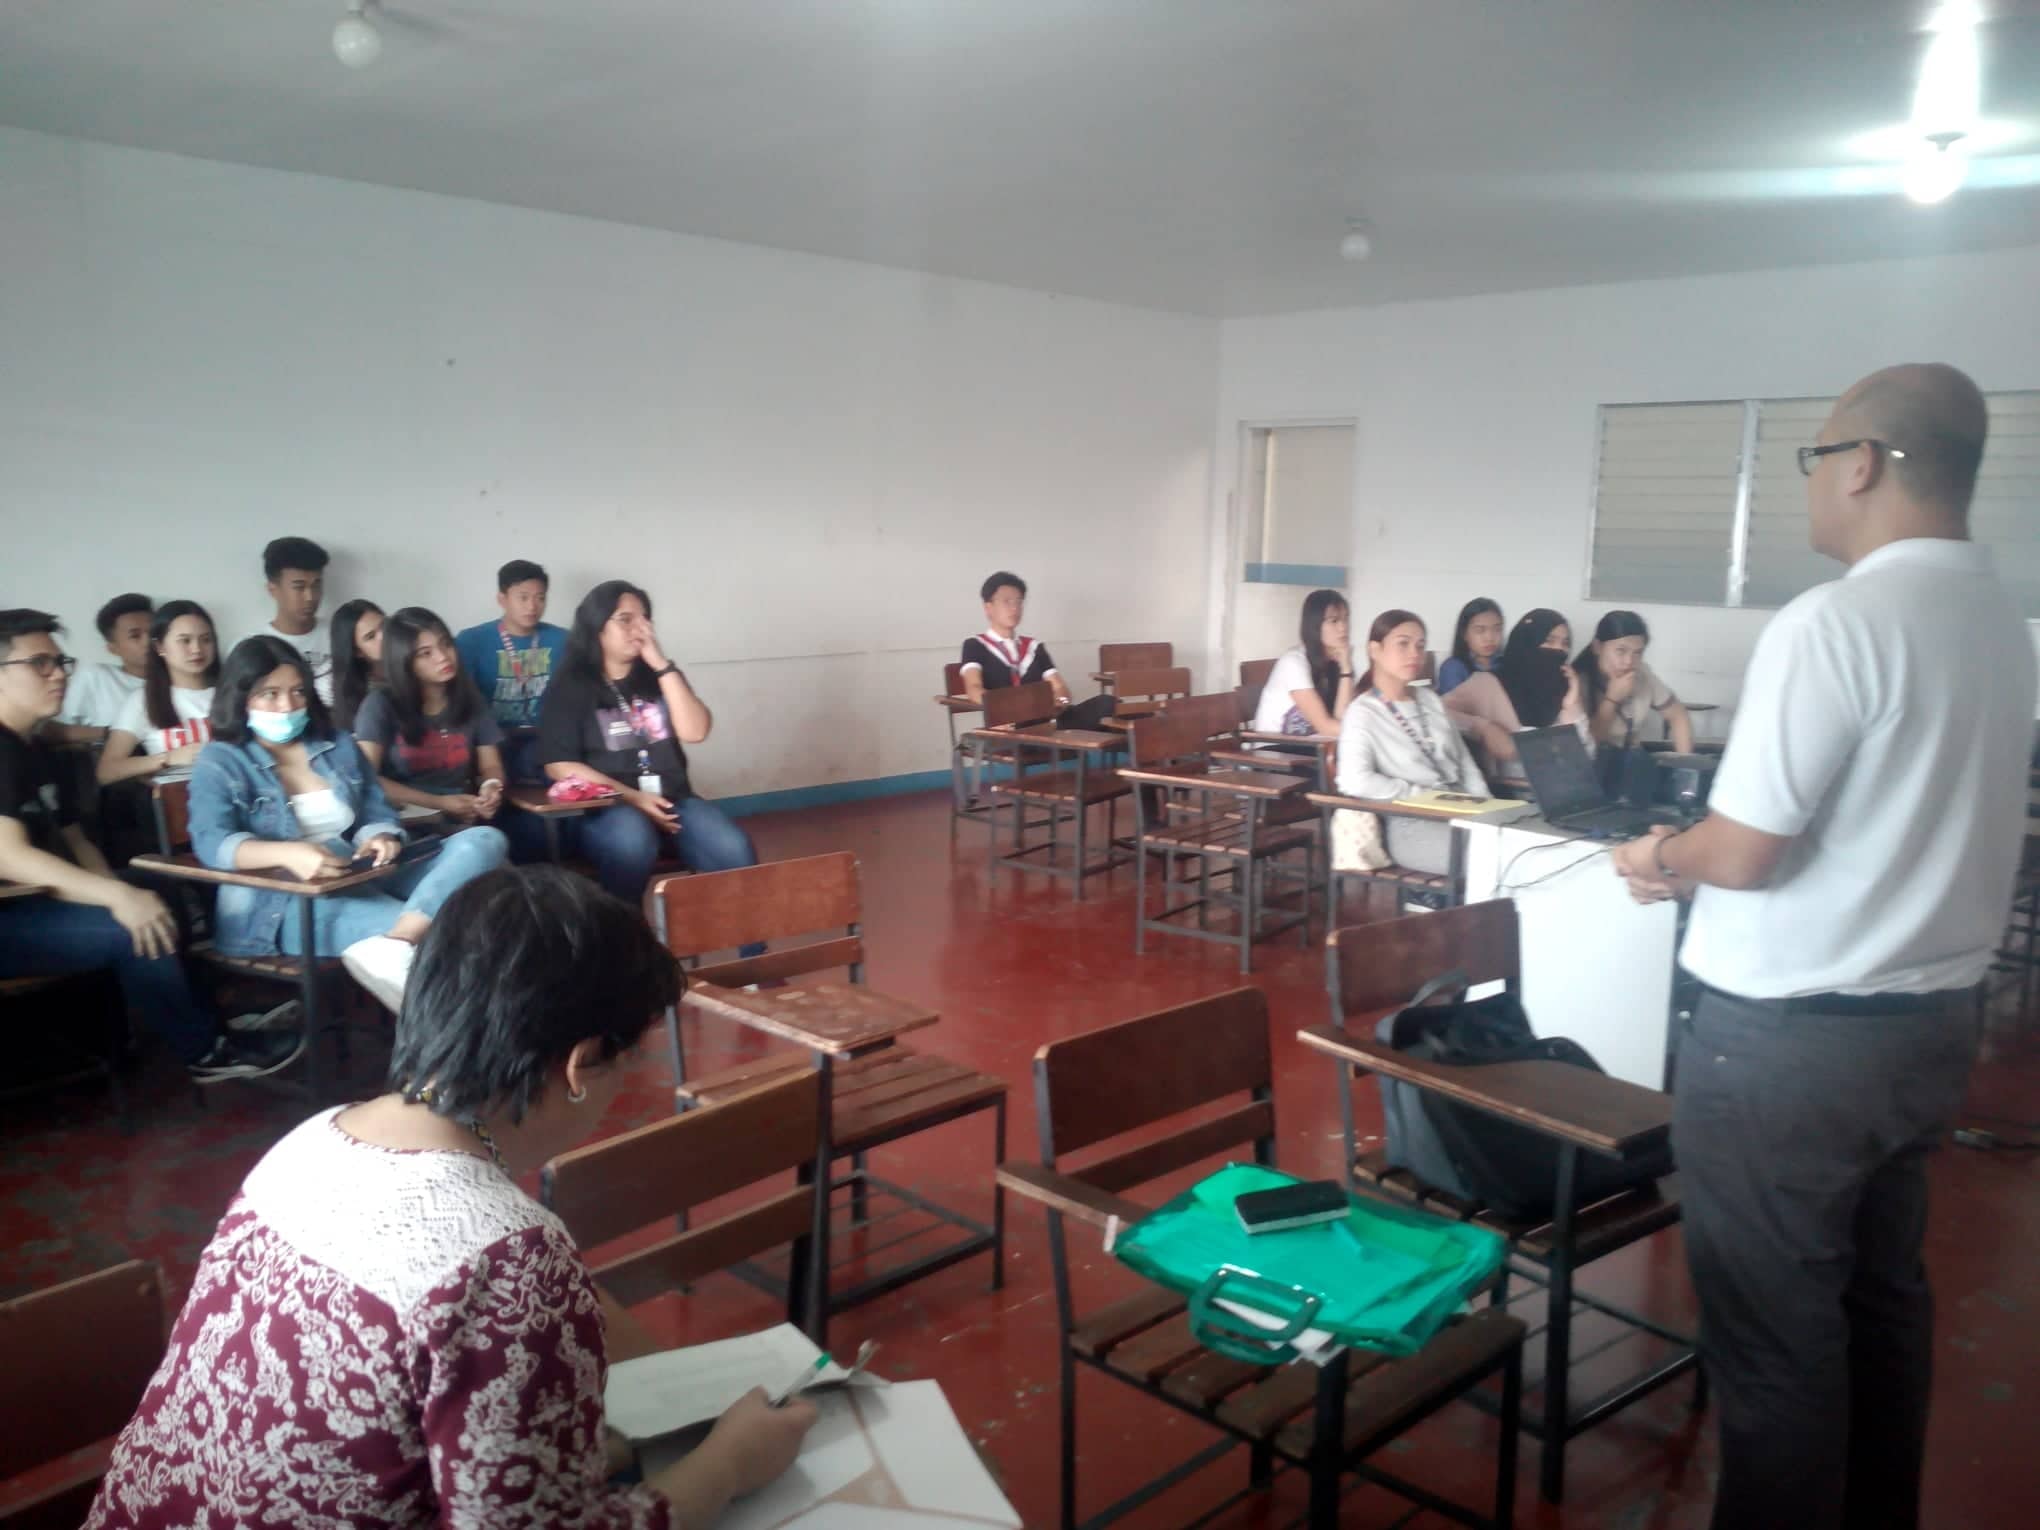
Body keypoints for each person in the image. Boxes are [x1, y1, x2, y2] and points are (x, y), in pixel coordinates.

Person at [1610, 364, 2033, 1530]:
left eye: (1812, 459)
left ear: (1863, 464)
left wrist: (1655, 859)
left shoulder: (1838, 622)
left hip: (1788, 1051)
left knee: (1776, 1342)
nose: (1811, 487)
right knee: (1882, 1302)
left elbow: (1747, 851)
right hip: (1929, 1032)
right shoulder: (2000, 619)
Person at [84, 864, 818, 1528]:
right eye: (628, 1064)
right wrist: (728, 1465)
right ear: (581, 1064)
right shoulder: (509, 1254)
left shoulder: (309, 1142)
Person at [0, 611, 303, 1083]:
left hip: (31, 899)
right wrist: (118, 899)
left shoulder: (32, 748)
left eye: (60, 661)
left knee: (155, 885)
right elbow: (9, 854)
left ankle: (207, 1017)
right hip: (7, 918)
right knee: (128, 926)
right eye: (40, 663)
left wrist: (121, 889)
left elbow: (75, 838)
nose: (58, 674)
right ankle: (205, 1051)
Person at [187, 636, 509, 1014]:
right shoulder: (220, 760)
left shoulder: (336, 744)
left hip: (358, 870)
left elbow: (376, 812)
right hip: (283, 900)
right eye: (269, 694)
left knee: (485, 840)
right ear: (240, 698)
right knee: (460, 932)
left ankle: (400, 940)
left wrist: (381, 836)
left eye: (296, 692)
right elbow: (211, 842)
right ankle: (455, 1029)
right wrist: (290, 854)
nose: (287, 705)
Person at [538, 581, 763, 923]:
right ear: (597, 627)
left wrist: (661, 664)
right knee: (631, 841)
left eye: (644, 619)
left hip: (673, 801)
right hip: (608, 807)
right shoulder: (571, 687)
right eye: (625, 620)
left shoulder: (659, 677)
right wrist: (632, 797)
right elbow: (559, 765)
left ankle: (754, 964)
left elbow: (696, 730)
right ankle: (626, 941)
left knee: (734, 848)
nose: (638, 629)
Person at [356, 608, 549, 864]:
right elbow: (366, 780)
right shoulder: (380, 705)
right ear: (404, 661)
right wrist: (440, 802)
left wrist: (490, 788)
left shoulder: (470, 700)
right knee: (486, 855)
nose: (443, 657)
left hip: (460, 818)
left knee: (511, 846)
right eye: (426, 653)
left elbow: (491, 765)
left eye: (445, 644)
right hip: (401, 825)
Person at [1335, 609, 1489, 875]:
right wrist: (1419, 796)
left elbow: (1464, 762)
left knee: (1523, 843)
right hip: (1413, 823)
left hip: (1460, 807)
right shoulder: (1364, 713)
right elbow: (1353, 780)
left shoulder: (1429, 700)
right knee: (1496, 857)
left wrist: (1487, 807)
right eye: (1403, 644)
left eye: (1420, 645)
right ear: (1375, 650)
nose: (1414, 654)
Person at [455, 559, 570, 785]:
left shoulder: (563, 640)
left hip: (545, 738)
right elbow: (461, 700)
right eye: (523, 597)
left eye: (540, 598)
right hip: (494, 741)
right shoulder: (471, 641)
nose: (532, 606)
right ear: (502, 599)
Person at [956, 571, 1117, 728]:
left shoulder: (1033, 647)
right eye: (1007, 601)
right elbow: (973, 688)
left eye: (1018, 602)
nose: (1014, 608)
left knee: (1107, 703)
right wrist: (1003, 709)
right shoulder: (975, 646)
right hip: (1009, 726)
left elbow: (1060, 687)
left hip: (1045, 719)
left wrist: (1061, 702)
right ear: (988, 607)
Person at [1442, 607, 1585, 781]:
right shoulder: (1488, 684)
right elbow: (1437, 712)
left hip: (1566, 790)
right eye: (1549, 640)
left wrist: (1572, 704)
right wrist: (1483, 728)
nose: (1558, 649)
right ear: (1526, 641)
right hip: (1512, 796)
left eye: (1565, 643)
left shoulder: (1563, 687)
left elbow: (1586, 755)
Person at [95, 601, 220, 787]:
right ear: (160, 647)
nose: (197, 649)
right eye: (185, 640)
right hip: (181, 802)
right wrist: (168, 758)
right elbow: (107, 771)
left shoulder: (231, 691)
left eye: (206, 639)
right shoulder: (143, 700)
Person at [1574, 612, 1695, 754]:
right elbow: (1586, 745)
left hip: (1629, 763)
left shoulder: (1642, 674)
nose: (1629, 661)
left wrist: (1684, 763)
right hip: (1592, 766)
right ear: (1597, 647)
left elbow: (1678, 715)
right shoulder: (1577, 683)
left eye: (1637, 653)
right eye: (1621, 651)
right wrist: (1612, 699)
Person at [51, 593, 153, 745]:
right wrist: (114, 734)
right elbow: (51, 730)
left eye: (154, 633)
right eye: (135, 636)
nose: (148, 641)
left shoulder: (181, 679)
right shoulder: (96, 676)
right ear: (113, 648)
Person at [1252, 588, 1356, 735]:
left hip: (1313, 747)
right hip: (1273, 750)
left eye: (1346, 619)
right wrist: (1369, 732)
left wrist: (1346, 669)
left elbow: (1340, 721)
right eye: (1334, 621)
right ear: (1314, 625)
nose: (1343, 627)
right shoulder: (1293, 663)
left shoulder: (1336, 662)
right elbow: (1327, 728)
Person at [259, 536, 334, 703]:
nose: (310, 597)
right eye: (299, 587)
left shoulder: (339, 635)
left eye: (316, 585)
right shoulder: (254, 647)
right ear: (273, 590)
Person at [328, 597, 385, 731]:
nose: (383, 636)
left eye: (384, 626)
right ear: (358, 651)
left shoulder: (416, 664)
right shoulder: (361, 696)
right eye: (371, 636)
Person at [1435, 597, 1503, 697]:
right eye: (1480, 630)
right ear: (1464, 634)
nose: (1490, 638)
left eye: (1497, 629)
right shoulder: (1453, 668)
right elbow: (1456, 708)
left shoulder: (1505, 664)